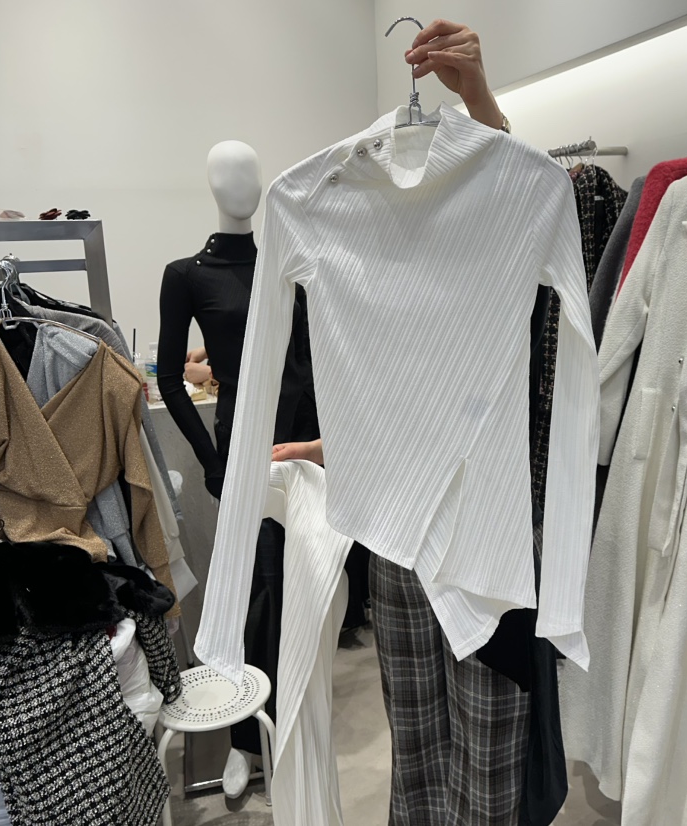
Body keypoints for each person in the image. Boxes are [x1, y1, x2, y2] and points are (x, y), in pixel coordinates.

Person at [272, 20, 534, 826]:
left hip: (487, 524)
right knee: (415, 748)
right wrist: (340, 446)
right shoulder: (342, 214)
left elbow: (515, 209)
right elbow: (390, 381)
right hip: (395, 525)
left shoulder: (501, 210)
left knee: (489, 756)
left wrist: (481, 104)